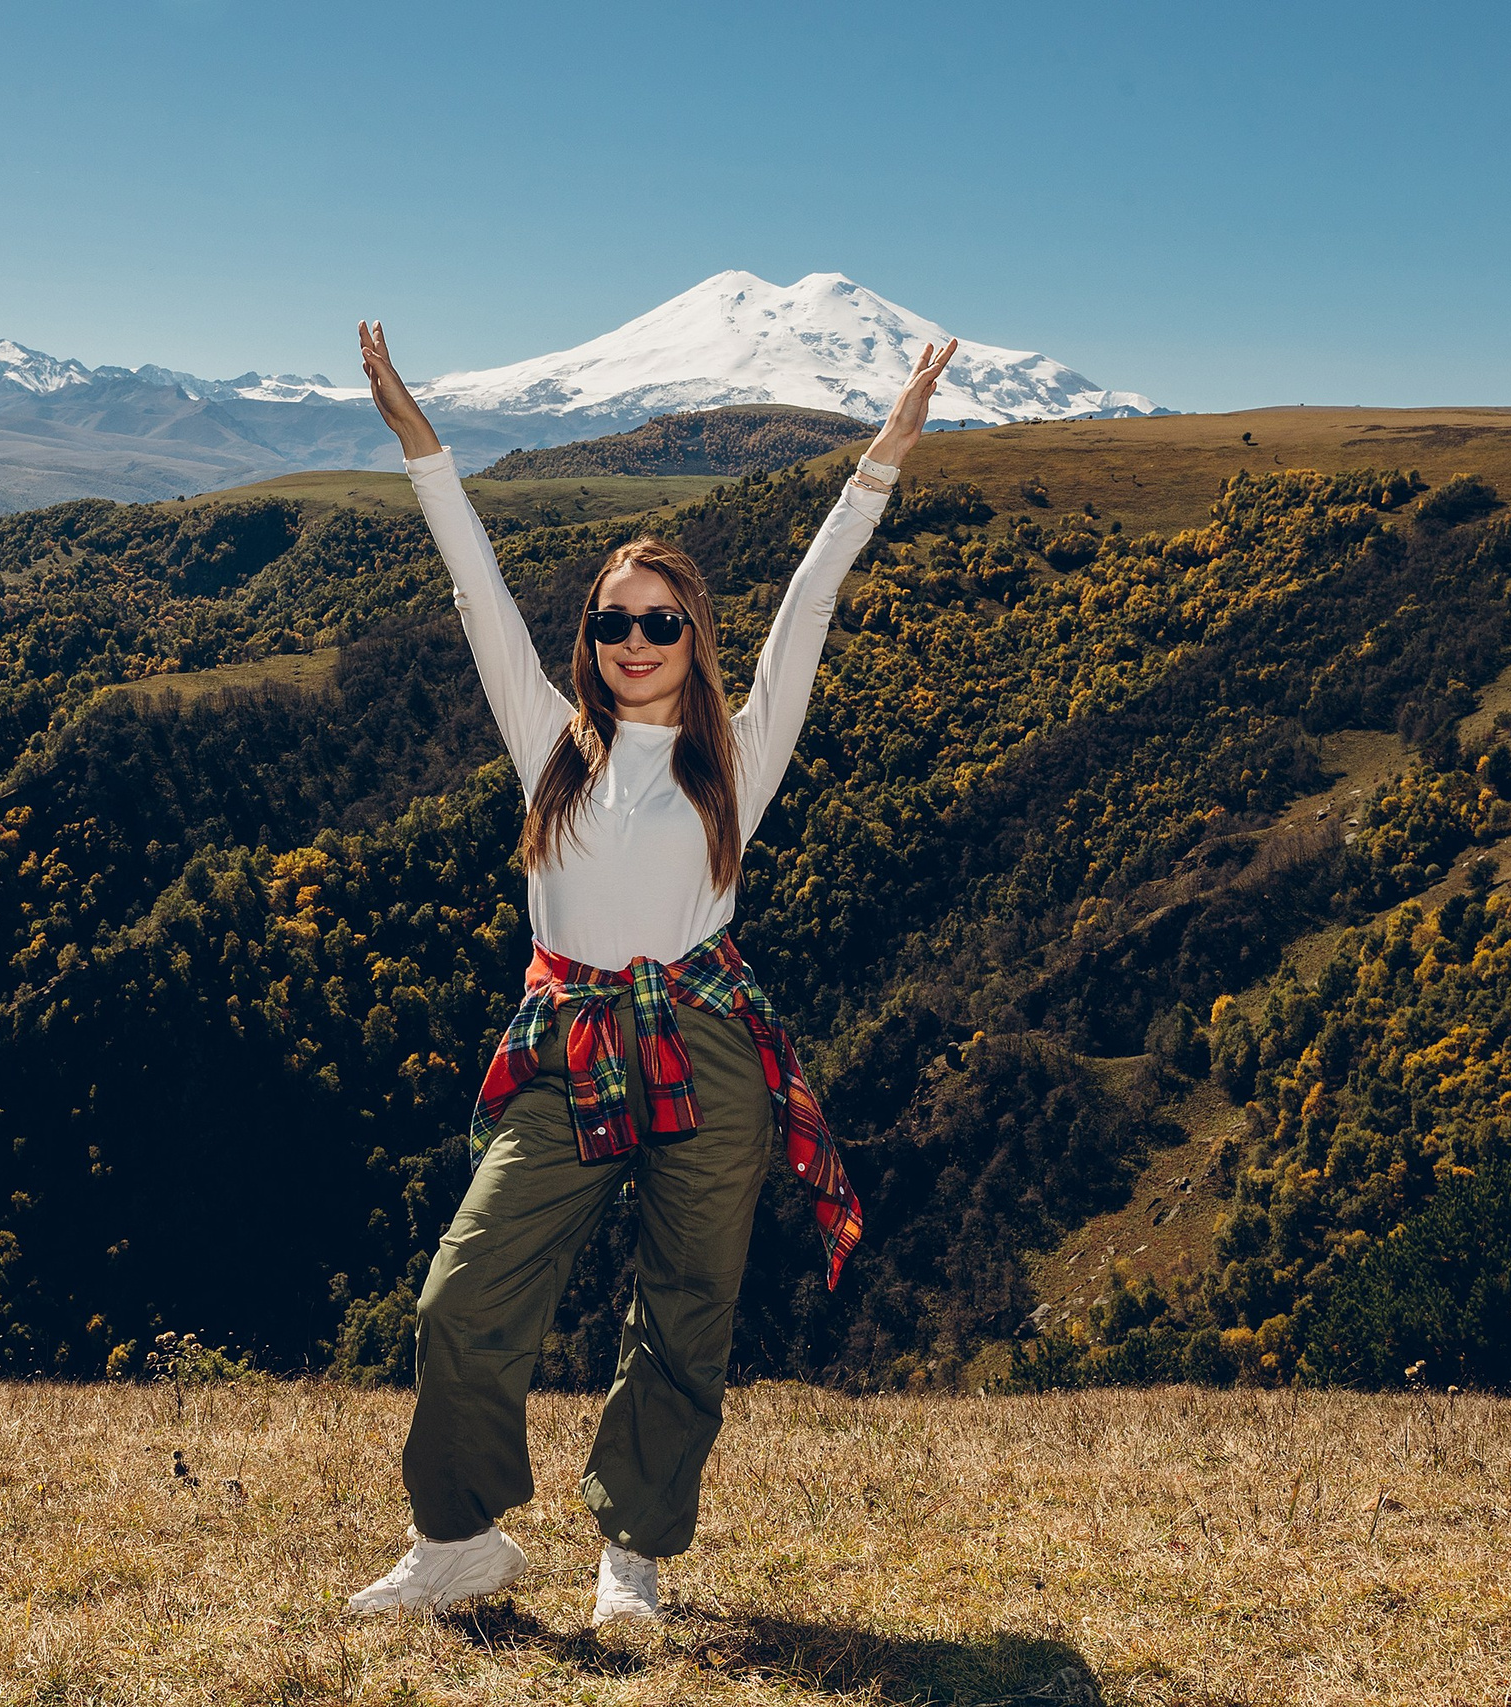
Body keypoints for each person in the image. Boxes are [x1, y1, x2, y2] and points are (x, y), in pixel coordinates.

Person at [345, 319, 957, 1625]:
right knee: (464, 1294)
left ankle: (633, 1554)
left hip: (706, 1035)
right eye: (614, 620)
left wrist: (883, 461)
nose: (635, 638)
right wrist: (418, 439)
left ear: (694, 632)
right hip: (570, 1037)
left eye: (661, 620)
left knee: (686, 1306)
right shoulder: (547, 740)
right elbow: (474, 588)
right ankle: (456, 1542)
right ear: (592, 633)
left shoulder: (737, 752)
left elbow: (814, 604)